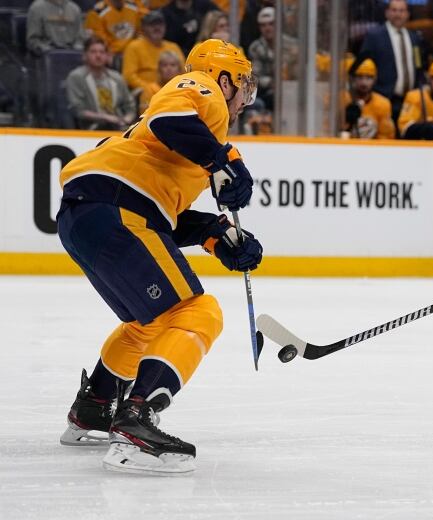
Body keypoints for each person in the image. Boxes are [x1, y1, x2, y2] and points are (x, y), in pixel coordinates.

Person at [57, 39, 261, 475]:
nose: (245, 93)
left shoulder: (187, 143)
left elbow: (162, 213)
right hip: (114, 209)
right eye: (242, 82)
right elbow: (169, 116)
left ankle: (95, 406)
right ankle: (137, 420)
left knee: (150, 323)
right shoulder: (203, 89)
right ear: (223, 79)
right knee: (197, 312)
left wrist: (215, 234)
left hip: (89, 214)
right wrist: (222, 160)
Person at [353, 0, 425, 123]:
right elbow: (363, 65)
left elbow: (419, 66)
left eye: (402, 11)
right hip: (384, 98)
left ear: (407, 14)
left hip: (410, 102)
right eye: (394, 10)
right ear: (387, 13)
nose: (398, 14)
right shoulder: (374, 36)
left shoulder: (415, 38)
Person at [66, 36, 137, 131]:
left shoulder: (117, 78)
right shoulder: (76, 77)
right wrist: (105, 117)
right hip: (90, 128)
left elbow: (130, 107)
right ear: (85, 55)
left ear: (107, 56)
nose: (98, 55)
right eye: (93, 52)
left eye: (102, 52)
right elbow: (78, 110)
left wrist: (126, 119)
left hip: (119, 127)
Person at [123, 10, 185, 91]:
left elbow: (184, 72)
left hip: (174, 89)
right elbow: (129, 76)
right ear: (144, 28)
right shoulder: (134, 46)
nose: (157, 28)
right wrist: (151, 89)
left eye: (160, 24)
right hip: (145, 92)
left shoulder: (173, 47)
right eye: (152, 24)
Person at [343, 59, 395, 140]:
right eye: (360, 77)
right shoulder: (341, 100)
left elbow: (386, 138)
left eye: (369, 77)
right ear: (352, 79)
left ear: (375, 79)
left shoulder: (383, 104)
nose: (364, 83)